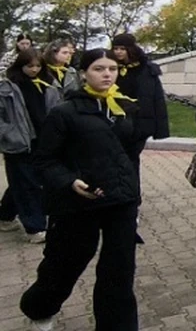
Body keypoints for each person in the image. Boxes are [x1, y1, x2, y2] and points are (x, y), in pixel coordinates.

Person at [20, 49, 142, 331]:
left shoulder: (124, 108)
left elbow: (130, 152)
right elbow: (44, 160)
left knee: (119, 272)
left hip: (121, 201)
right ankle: (39, 307)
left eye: (112, 68)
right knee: (65, 263)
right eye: (99, 69)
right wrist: (70, 181)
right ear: (84, 73)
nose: (107, 74)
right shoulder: (65, 112)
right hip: (78, 202)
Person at [0, 48, 60, 242]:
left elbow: (57, 110)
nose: (34, 70)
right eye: (29, 66)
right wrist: (8, 134)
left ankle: (5, 216)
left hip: (44, 141)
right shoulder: (8, 87)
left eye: (37, 66)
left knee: (25, 182)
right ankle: (34, 227)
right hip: (19, 142)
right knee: (26, 184)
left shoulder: (49, 85)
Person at [111, 33, 170, 146]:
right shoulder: (112, 68)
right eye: (115, 48)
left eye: (122, 49)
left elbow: (157, 99)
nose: (118, 52)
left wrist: (161, 128)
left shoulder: (146, 69)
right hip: (117, 118)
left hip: (140, 120)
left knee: (132, 156)